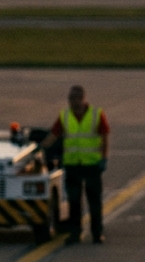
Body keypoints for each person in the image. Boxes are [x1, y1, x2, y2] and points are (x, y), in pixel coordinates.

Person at [41, 85, 110, 244]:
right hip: (72, 165)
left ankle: (97, 233)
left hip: (91, 164)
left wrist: (104, 157)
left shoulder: (96, 114)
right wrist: (41, 147)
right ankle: (75, 233)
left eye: (75, 98)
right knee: (74, 202)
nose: (72, 102)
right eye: (70, 99)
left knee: (94, 202)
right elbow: (54, 134)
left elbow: (105, 136)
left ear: (83, 98)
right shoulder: (65, 115)